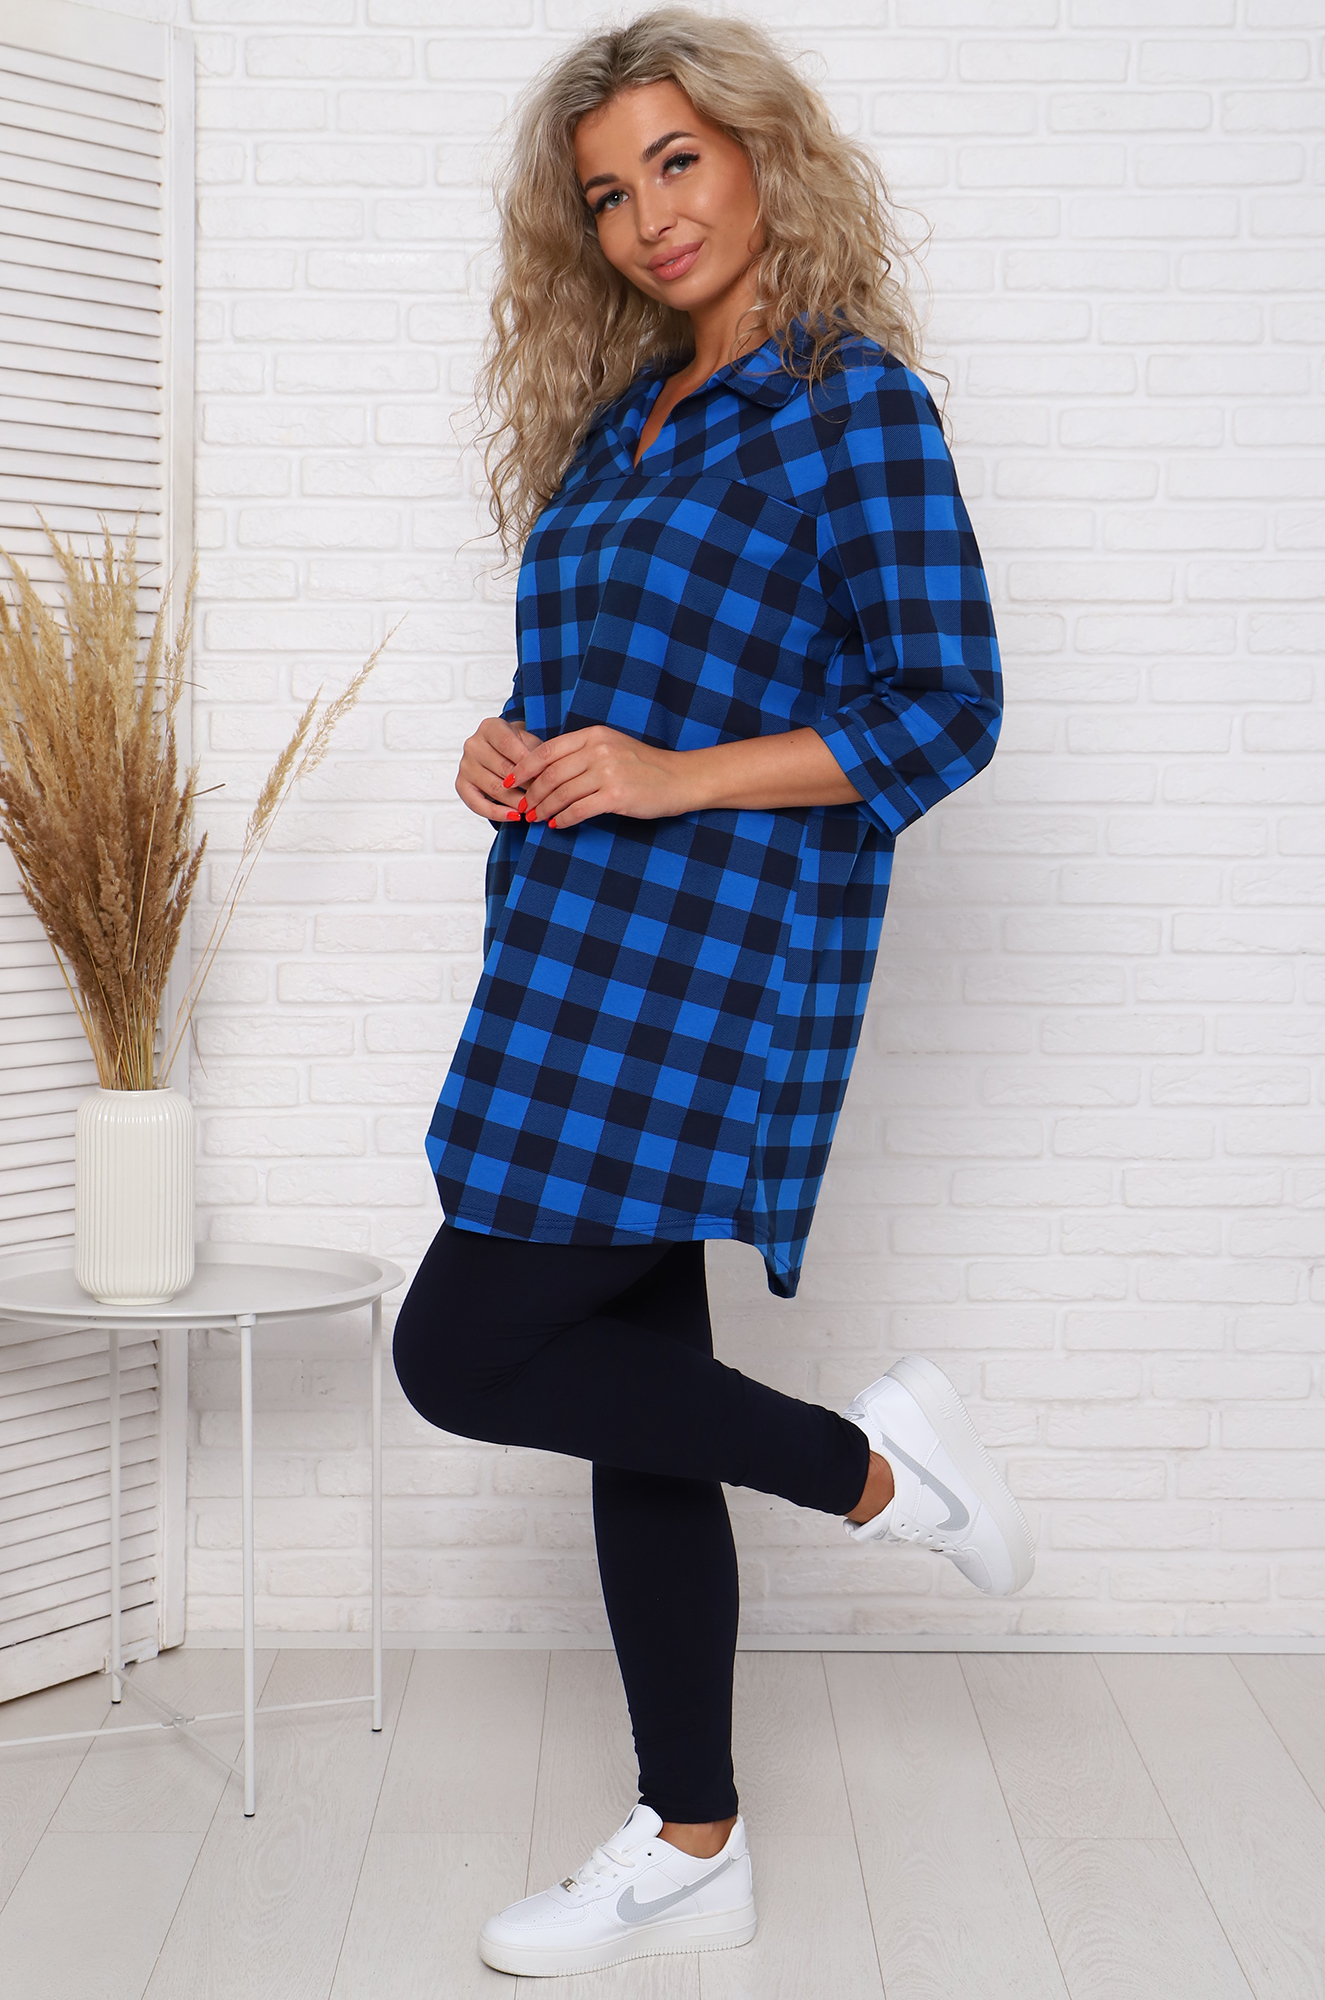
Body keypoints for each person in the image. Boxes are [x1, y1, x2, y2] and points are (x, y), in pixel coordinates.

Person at [391, 7, 1034, 1979]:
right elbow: (609, 693)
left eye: (677, 161)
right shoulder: (623, 426)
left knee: (457, 1348)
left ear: (762, 156)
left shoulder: (852, 406)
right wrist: (514, 740)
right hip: (569, 942)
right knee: (638, 1415)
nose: (648, 215)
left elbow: (943, 706)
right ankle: (692, 1840)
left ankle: (880, 1476)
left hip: (703, 965)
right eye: (607, 193)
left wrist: (672, 778)